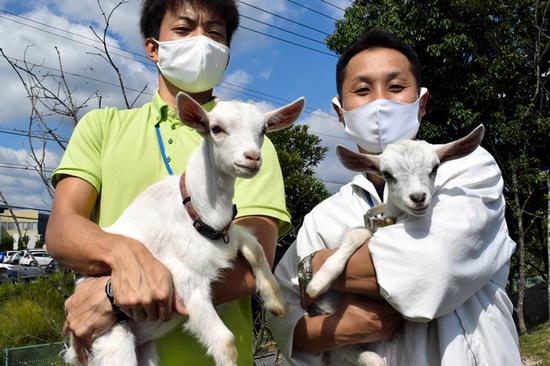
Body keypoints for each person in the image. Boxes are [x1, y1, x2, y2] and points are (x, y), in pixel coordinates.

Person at [45, 0, 291, 365]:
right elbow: (63, 229)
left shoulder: (250, 145)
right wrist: (125, 255)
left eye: (215, 33)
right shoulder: (102, 126)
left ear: (225, 54)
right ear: (153, 48)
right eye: (183, 29)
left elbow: (246, 271)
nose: (201, 41)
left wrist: (113, 297)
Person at [267, 29, 521, 365]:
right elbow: (282, 317)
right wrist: (342, 330)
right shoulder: (323, 216)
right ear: (340, 111)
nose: (379, 102)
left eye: (396, 87)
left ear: (422, 103)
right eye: (362, 90)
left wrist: (314, 265)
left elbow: (432, 266)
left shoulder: (468, 169)